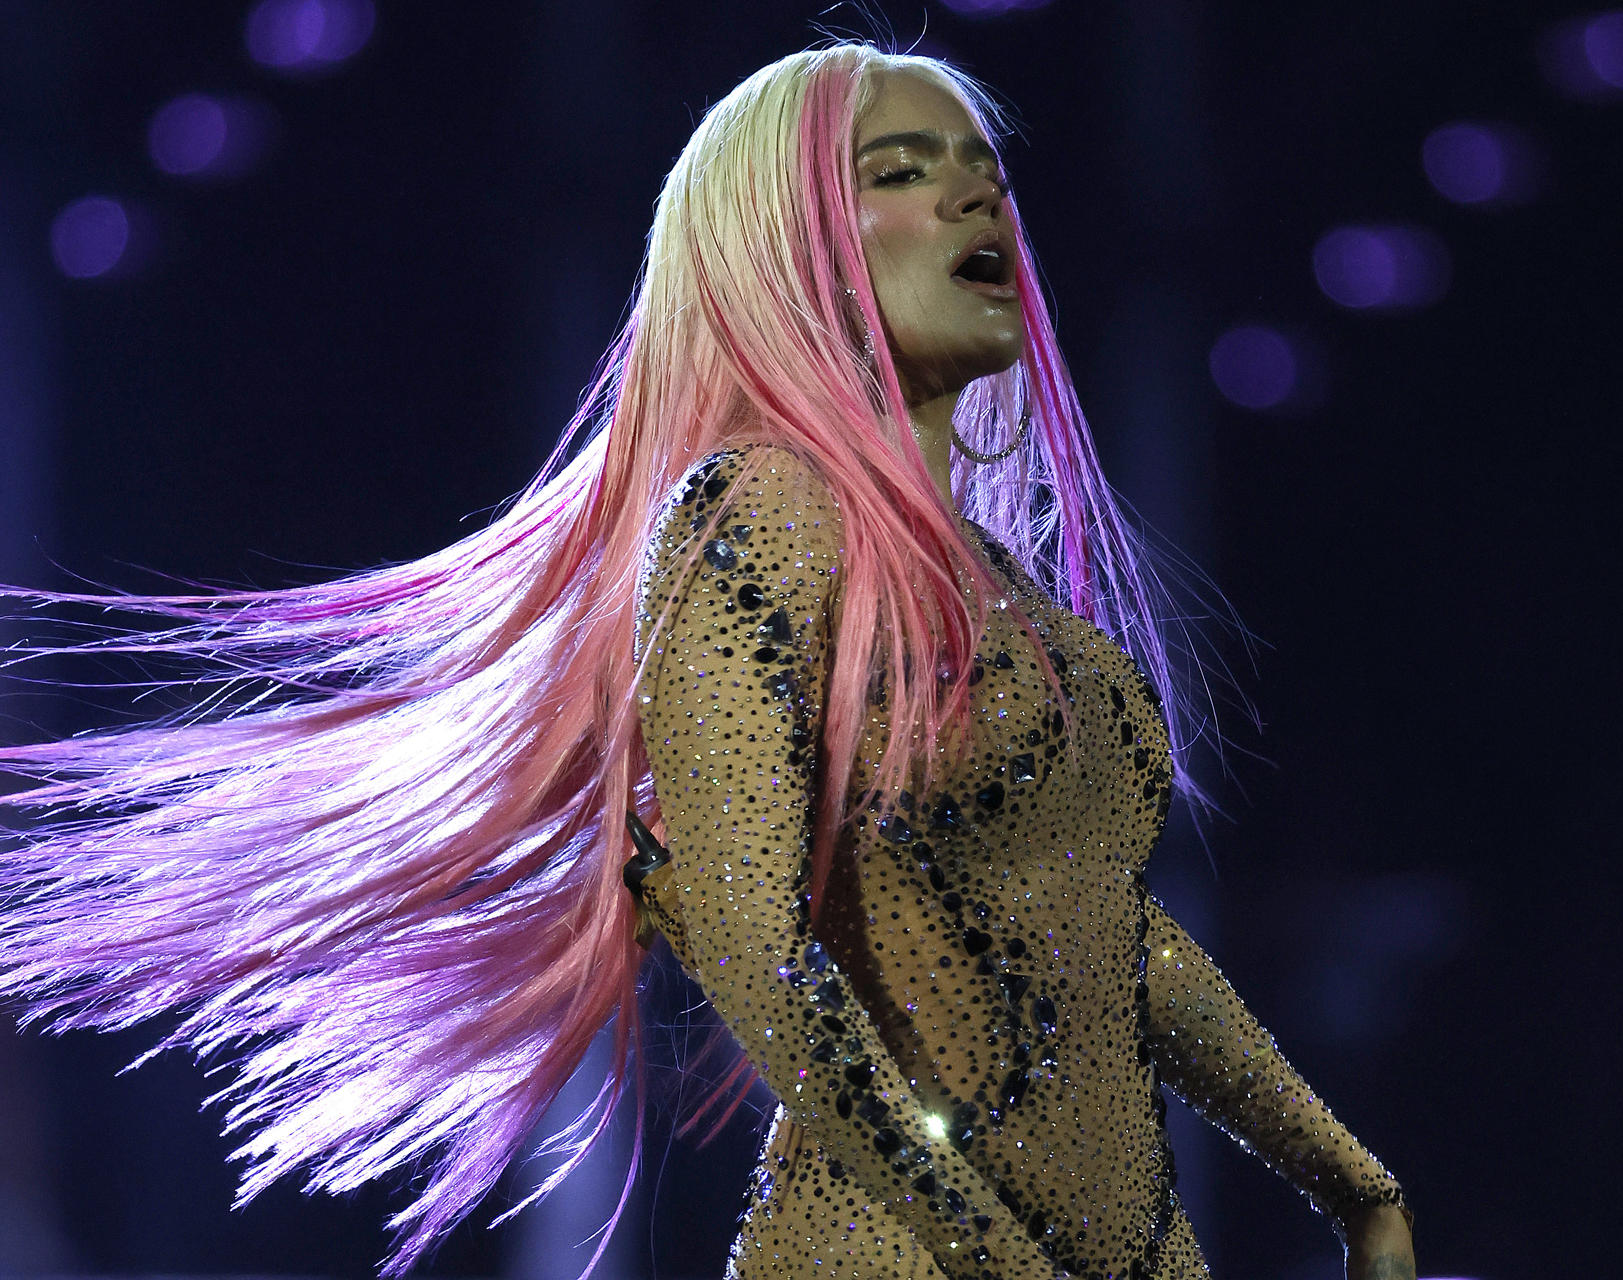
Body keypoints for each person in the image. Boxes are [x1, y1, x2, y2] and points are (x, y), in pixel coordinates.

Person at [0, 43, 1414, 1280]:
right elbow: (747, 932)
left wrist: (1351, 1183)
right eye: (903, 171)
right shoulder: (756, 513)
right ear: (785, 247)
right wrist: (984, 1238)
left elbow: (1117, 941)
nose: (980, 194)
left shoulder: (1026, 614)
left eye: (985, 168)